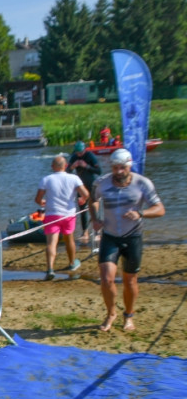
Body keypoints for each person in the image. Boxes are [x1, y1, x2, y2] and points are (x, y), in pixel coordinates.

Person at [90, 149, 165, 333]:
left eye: (122, 168)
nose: (119, 172)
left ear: (129, 166)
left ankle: (129, 315)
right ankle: (111, 313)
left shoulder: (142, 183)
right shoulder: (102, 183)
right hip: (110, 236)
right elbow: (92, 199)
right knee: (106, 279)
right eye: (115, 168)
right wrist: (95, 218)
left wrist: (140, 213)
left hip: (133, 236)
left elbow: (160, 209)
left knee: (130, 280)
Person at [35, 155, 90, 280]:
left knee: (51, 242)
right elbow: (86, 194)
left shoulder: (46, 179)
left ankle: (50, 269)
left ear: (52, 167)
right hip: (68, 215)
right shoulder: (74, 178)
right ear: (65, 166)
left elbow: (37, 199)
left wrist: (42, 202)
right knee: (69, 239)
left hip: (52, 214)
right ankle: (71, 263)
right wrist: (83, 199)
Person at [65, 141, 102, 243]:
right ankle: (84, 232)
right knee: (82, 208)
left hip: (92, 184)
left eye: (80, 153)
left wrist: (87, 166)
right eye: (77, 153)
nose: (79, 155)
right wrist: (72, 167)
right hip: (80, 185)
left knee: (94, 208)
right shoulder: (73, 157)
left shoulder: (90, 156)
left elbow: (99, 171)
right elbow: (66, 172)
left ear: (84, 150)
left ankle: (97, 232)